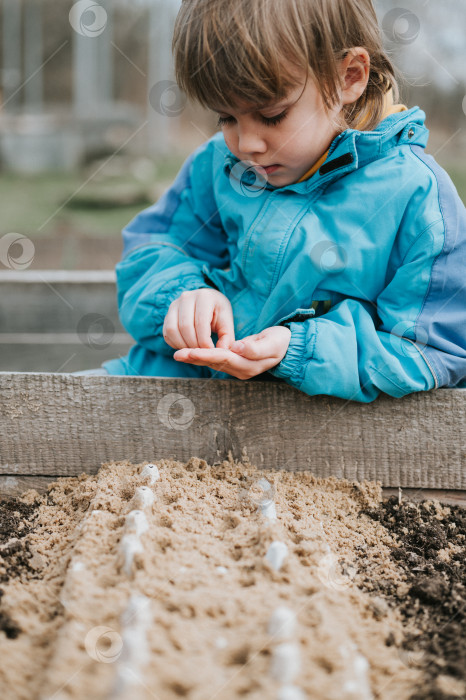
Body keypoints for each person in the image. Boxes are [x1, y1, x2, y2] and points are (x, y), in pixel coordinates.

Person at [77, 0, 466, 402]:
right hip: (175, 384)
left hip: (317, 428)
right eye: (225, 117)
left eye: (272, 115)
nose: (247, 144)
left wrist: (300, 349)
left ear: (350, 76)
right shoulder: (219, 165)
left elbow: (433, 349)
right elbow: (153, 250)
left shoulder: (417, 200)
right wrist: (180, 296)